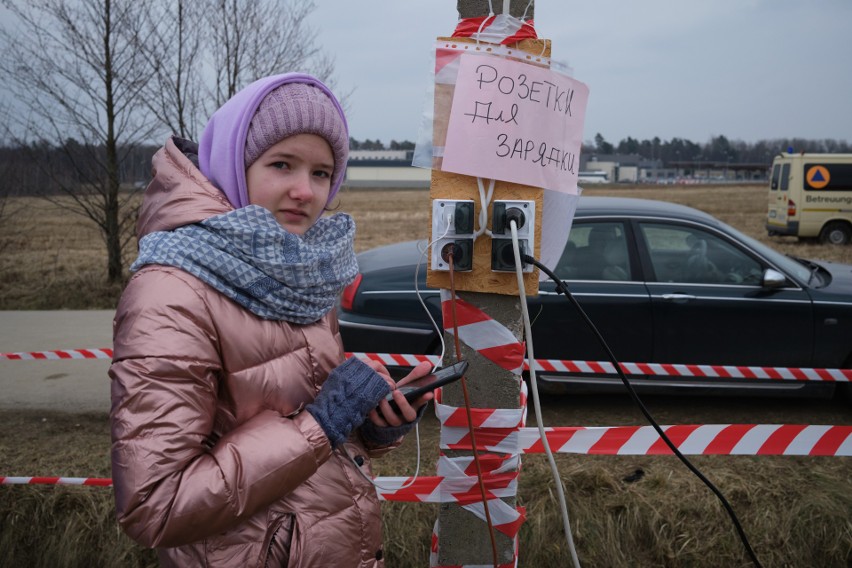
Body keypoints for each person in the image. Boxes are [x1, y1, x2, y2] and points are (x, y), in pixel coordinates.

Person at [109, 73, 433, 567]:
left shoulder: (302, 270)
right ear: (233, 165)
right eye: (282, 164)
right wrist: (320, 424)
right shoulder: (171, 294)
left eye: (322, 173)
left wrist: (367, 426)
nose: (305, 191)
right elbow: (155, 505)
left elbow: (308, 421)